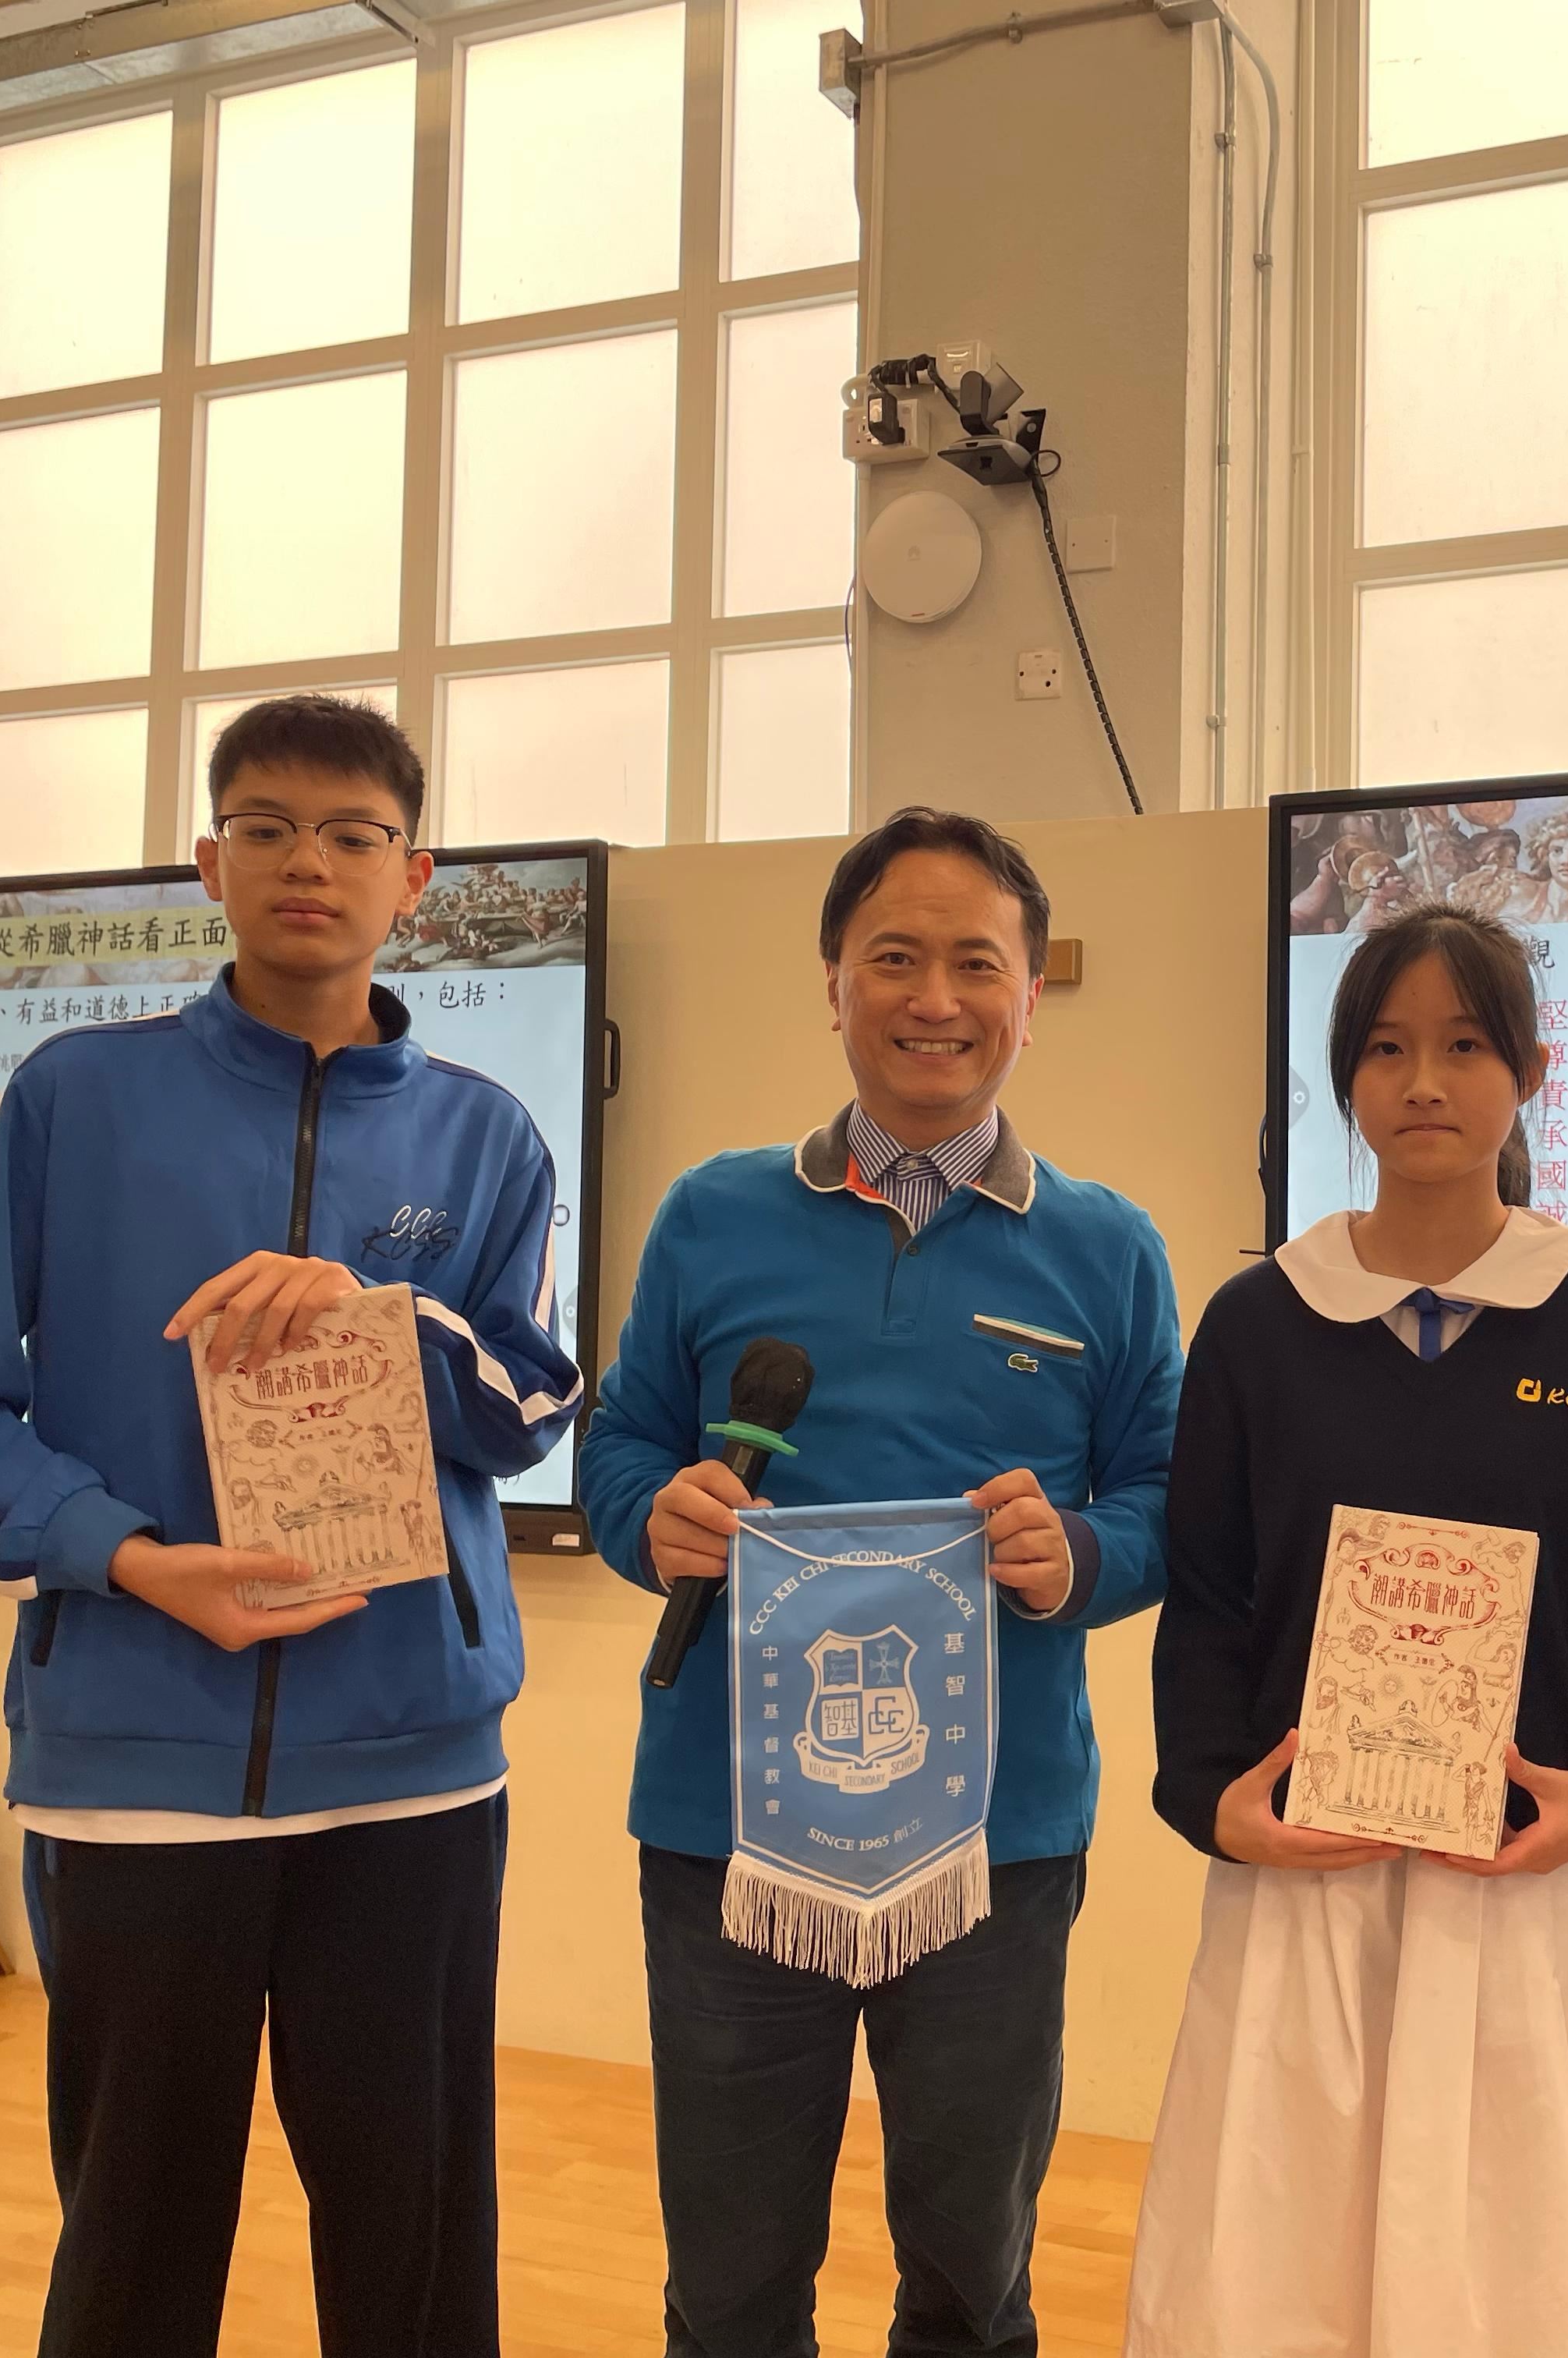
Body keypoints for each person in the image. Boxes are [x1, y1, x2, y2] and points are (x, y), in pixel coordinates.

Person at [0, 692, 583, 2358]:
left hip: (411, 1771)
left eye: (351, 834)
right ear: (210, 862)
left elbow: (530, 1404)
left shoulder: (486, 1132)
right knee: (133, 2244)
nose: (306, 863)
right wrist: (133, 1562)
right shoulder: (74, 1097)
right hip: (136, 1766)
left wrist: (377, 1315)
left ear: (415, 876)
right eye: (266, 828)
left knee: (414, 2249)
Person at [575, 807, 1181, 2358]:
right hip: (726, 1829)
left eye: (976, 963)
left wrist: (1080, 1555)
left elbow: (1173, 1501)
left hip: (993, 1841)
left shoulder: (1108, 1249)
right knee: (730, 2286)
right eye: (893, 958)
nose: (934, 998)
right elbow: (622, 1443)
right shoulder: (713, 1213)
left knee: (972, 2283)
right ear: (832, 983)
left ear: (1030, 995)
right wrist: (653, 1517)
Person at [1127, 901, 1568, 2358]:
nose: (1424, 1084)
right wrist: (1210, 1797)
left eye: (1465, 1047)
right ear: (1346, 1077)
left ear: (1529, 1072)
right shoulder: (1260, 1321)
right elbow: (1207, 1594)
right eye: (1387, 1049)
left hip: (1516, 1876)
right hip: (1305, 1872)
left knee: (1515, 2267)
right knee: (1281, 2257)